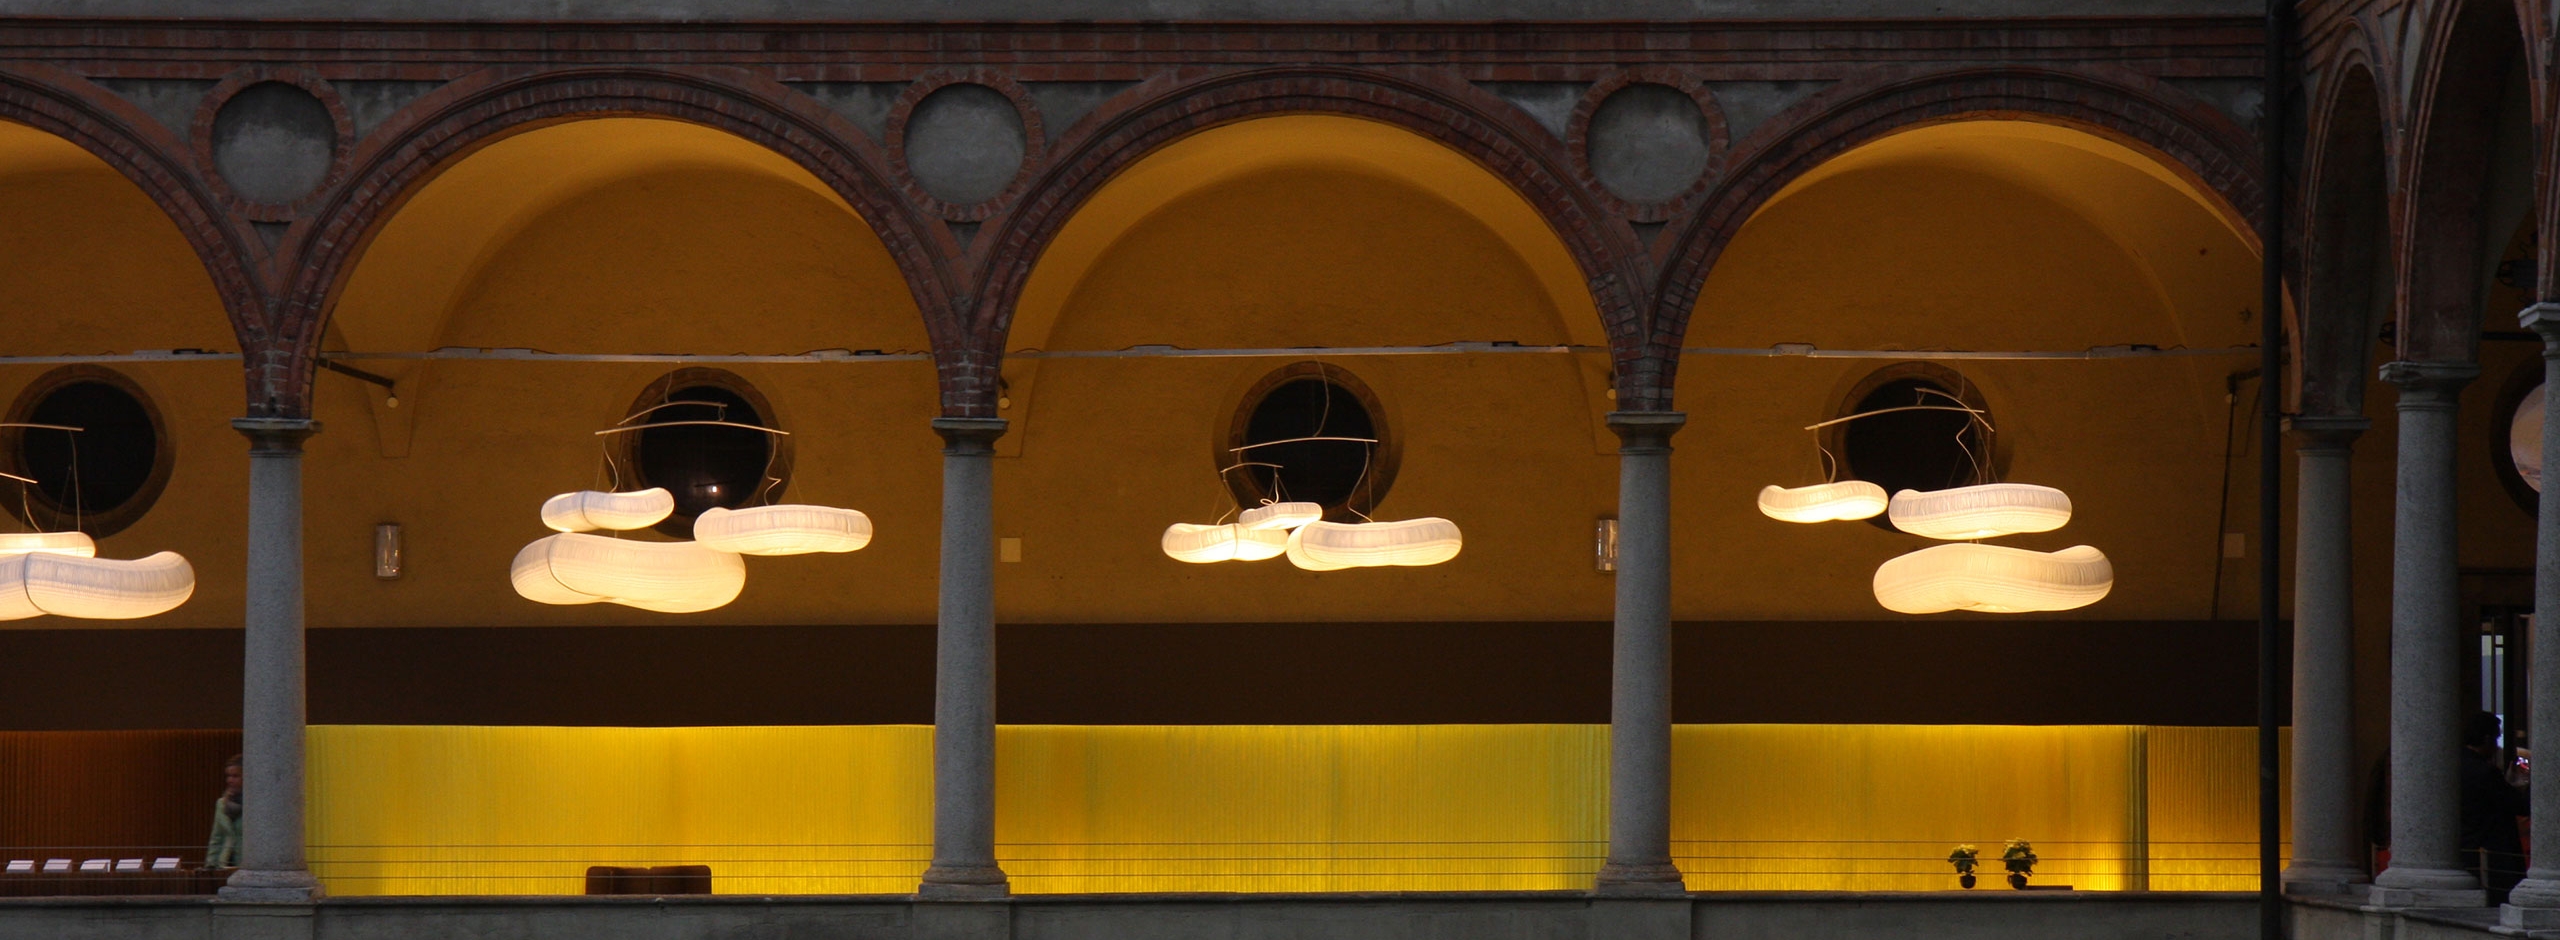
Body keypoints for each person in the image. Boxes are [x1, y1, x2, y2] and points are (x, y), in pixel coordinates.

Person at [2460, 711, 2529, 904]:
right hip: (2493, 856)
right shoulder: (2485, 772)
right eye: (2496, 737)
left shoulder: (2455, 765)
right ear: (2487, 738)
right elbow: (2519, 805)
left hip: (2467, 852)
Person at [205, 754, 242, 870]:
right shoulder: (222, 803)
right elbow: (217, 837)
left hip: (247, 866)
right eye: (228, 776)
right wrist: (210, 865)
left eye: (235, 776)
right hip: (224, 864)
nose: (230, 780)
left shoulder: (257, 805)